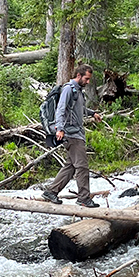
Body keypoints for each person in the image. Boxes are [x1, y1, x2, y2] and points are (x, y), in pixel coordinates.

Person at [42, 64, 102, 208]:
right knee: (82, 166)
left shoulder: (78, 91)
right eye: (86, 79)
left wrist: (92, 113)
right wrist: (60, 128)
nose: (88, 82)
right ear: (79, 75)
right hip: (71, 134)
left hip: (76, 133)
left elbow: (79, 109)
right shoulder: (69, 89)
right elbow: (61, 109)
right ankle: (84, 198)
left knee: (70, 166)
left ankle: (51, 191)